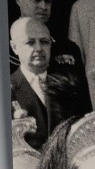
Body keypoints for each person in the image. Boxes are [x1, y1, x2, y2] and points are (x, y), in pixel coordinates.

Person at [10, 17, 88, 148]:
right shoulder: (6, 90)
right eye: (30, 42)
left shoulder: (69, 84)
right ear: (14, 47)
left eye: (45, 42)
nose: (39, 48)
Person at [9, 0, 85, 75]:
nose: (44, 6)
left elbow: (81, 90)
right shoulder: (7, 48)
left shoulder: (68, 48)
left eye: (47, 1)